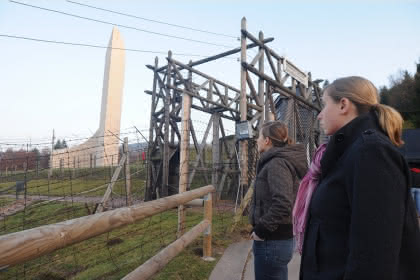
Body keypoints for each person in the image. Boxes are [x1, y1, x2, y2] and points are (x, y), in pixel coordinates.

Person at [300, 76, 420, 280]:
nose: (320, 115)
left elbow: (376, 253)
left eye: (324, 104)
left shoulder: (370, 152)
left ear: (343, 105)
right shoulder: (349, 152)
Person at [250, 121, 307, 280]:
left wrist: (261, 229)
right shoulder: (280, 160)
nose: (257, 140)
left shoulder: (276, 163)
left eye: (259, 137)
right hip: (278, 239)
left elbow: (283, 202)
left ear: (267, 140)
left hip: (272, 240)